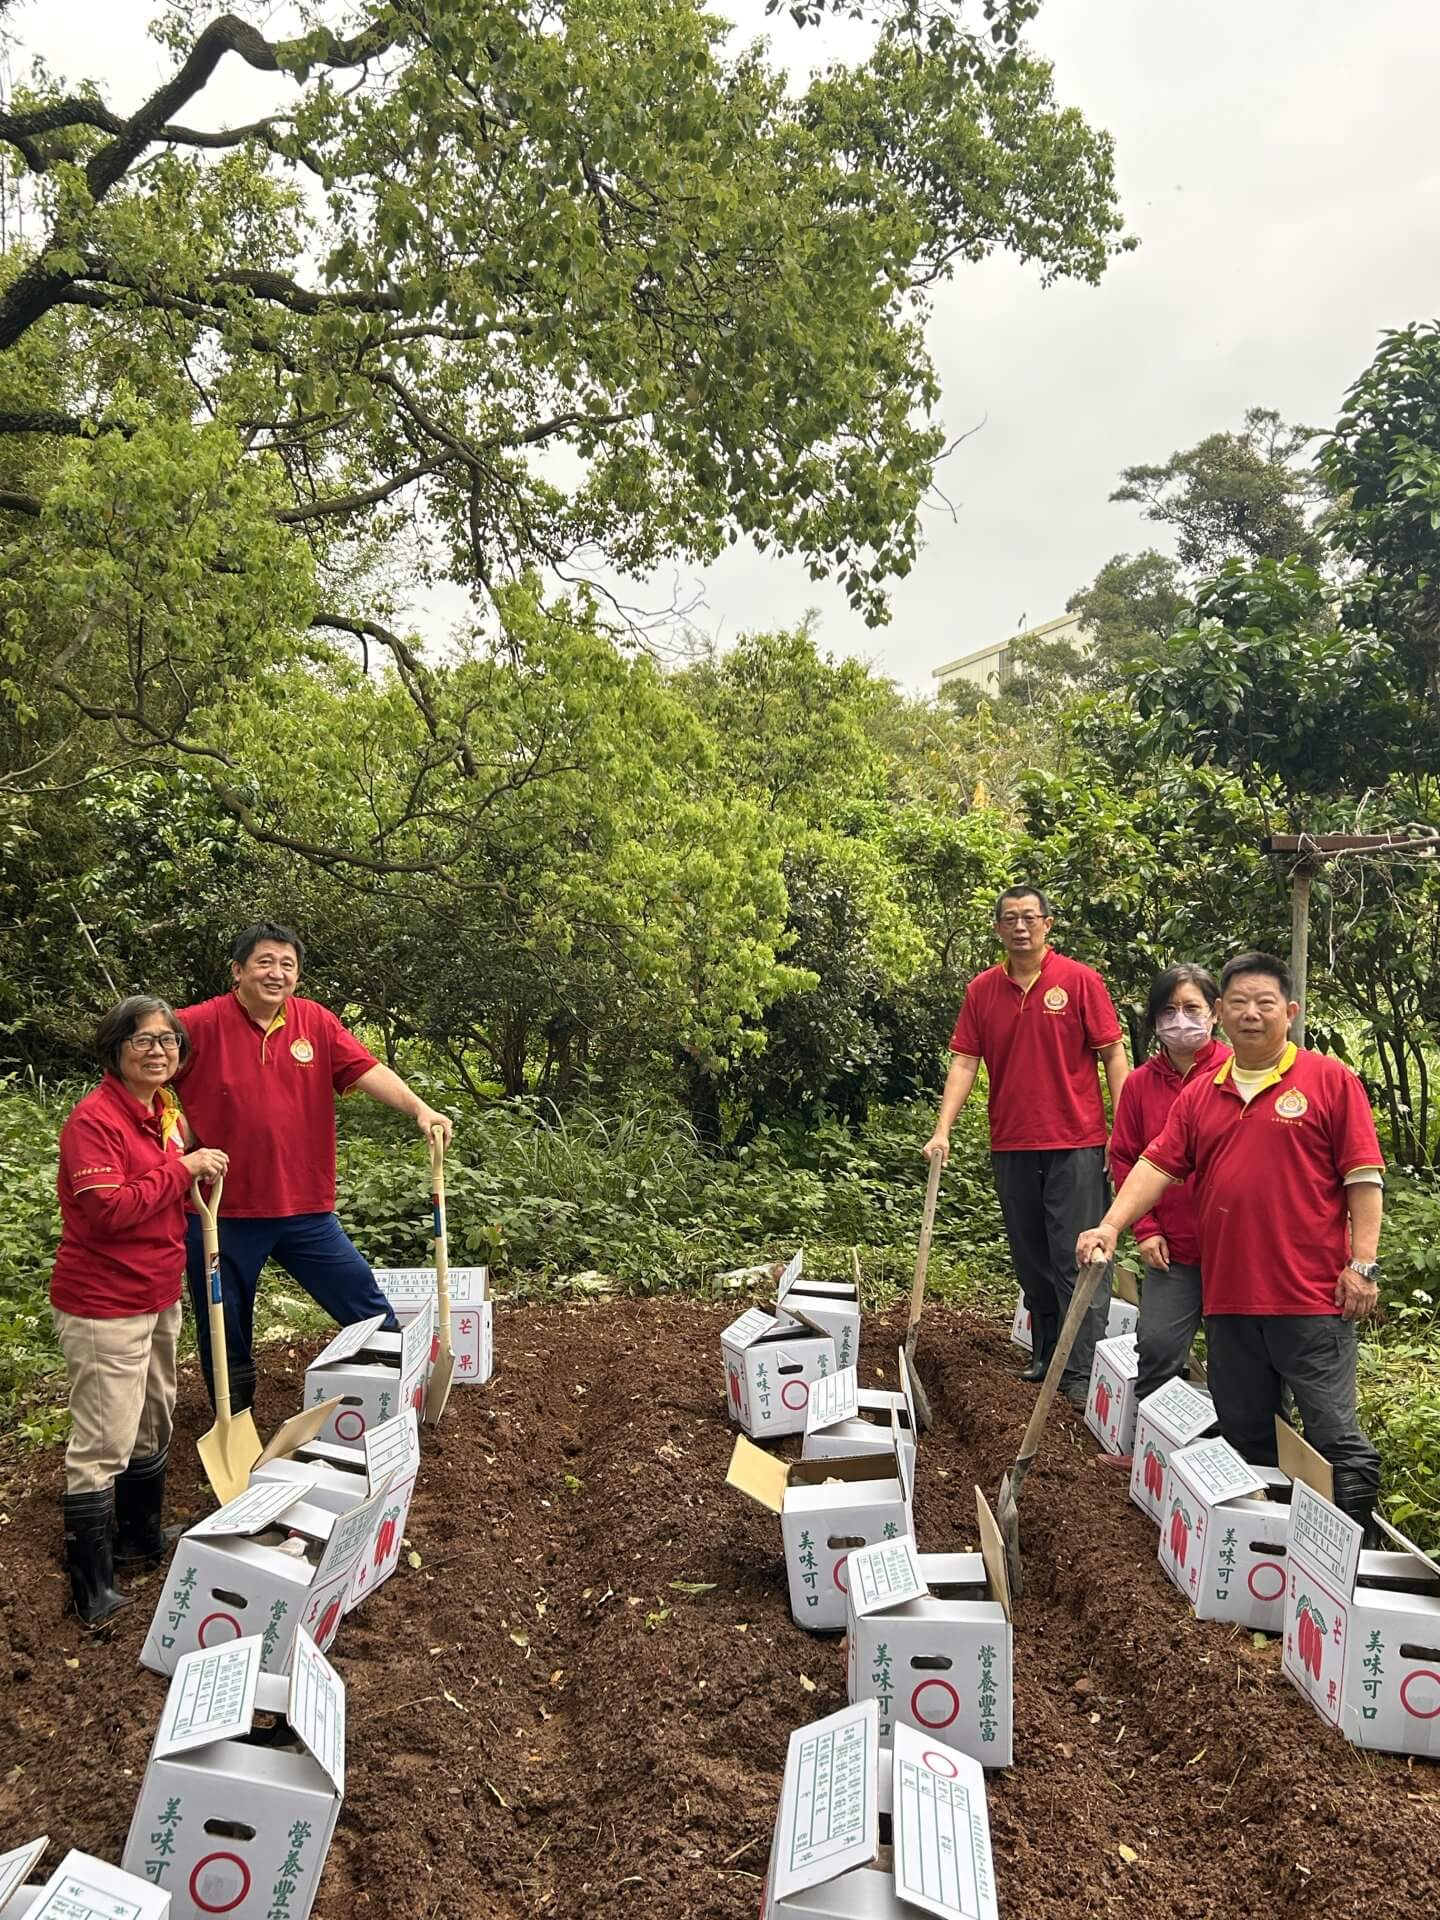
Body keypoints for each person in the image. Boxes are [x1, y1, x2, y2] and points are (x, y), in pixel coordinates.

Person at [1077, 952, 1384, 1535]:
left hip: (1311, 1299)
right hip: (1230, 1300)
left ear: (1289, 1012)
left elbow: (1363, 1179)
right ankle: (1273, 1546)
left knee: (1331, 1434)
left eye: (1264, 1003)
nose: (1251, 1014)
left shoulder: (1328, 1081)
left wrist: (1362, 1265)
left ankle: (1354, 1562)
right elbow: (1155, 1166)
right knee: (1245, 1432)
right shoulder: (1202, 1094)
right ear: (1222, 1013)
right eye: (1238, 1003)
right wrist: (1112, 1225)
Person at [177, 922, 453, 1413]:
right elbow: (147, 1070)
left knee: (361, 1301)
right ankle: (233, 1415)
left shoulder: (315, 1023)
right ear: (237, 971)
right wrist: (172, 1135)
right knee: (224, 1324)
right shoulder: (196, 1024)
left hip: (304, 1207)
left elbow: (366, 1069)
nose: (276, 973)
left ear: (298, 975)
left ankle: (398, 1394)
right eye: (264, 962)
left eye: (287, 964)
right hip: (221, 1212)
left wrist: (419, 1108)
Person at [51, 996, 229, 1624]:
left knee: (154, 1419)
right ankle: (91, 1587)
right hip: (105, 1304)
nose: (158, 1051)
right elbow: (109, 1210)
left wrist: (193, 1177)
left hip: (157, 1292)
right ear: (115, 1049)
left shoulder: (165, 1112)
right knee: (104, 1439)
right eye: (143, 1040)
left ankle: (140, 1538)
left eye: (169, 1041)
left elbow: (166, 1193)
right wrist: (183, 1171)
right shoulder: (94, 1122)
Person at [923, 886, 1129, 1409]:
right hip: (1012, 1143)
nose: (1021, 927)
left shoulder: (1080, 981)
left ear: (1048, 924)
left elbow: (1112, 1056)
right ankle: (1045, 1355)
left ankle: (1081, 1372)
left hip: (1077, 1142)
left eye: (1030, 918)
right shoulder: (983, 991)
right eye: (1010, 919)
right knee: (1030, 1257)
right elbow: (965, 1063)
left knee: (1077, 1256)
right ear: (998, 928)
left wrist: (1123, 1130)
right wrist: (943, 1127)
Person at [1107, 964, 1230, 1423]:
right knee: (1157, 1346)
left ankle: (1241, 1457)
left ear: (1215, 1013)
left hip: (1233, 1247)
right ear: (1154, 1020)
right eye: (1169, 1010)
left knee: (1239, 1360)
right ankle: (1147, 1447)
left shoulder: (1236, 1075)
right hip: (1172, 1248)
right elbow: (1126, 1157)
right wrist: (1145, 1228)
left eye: (1192, 1008)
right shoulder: (1139, 1085)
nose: (1181, 1020)